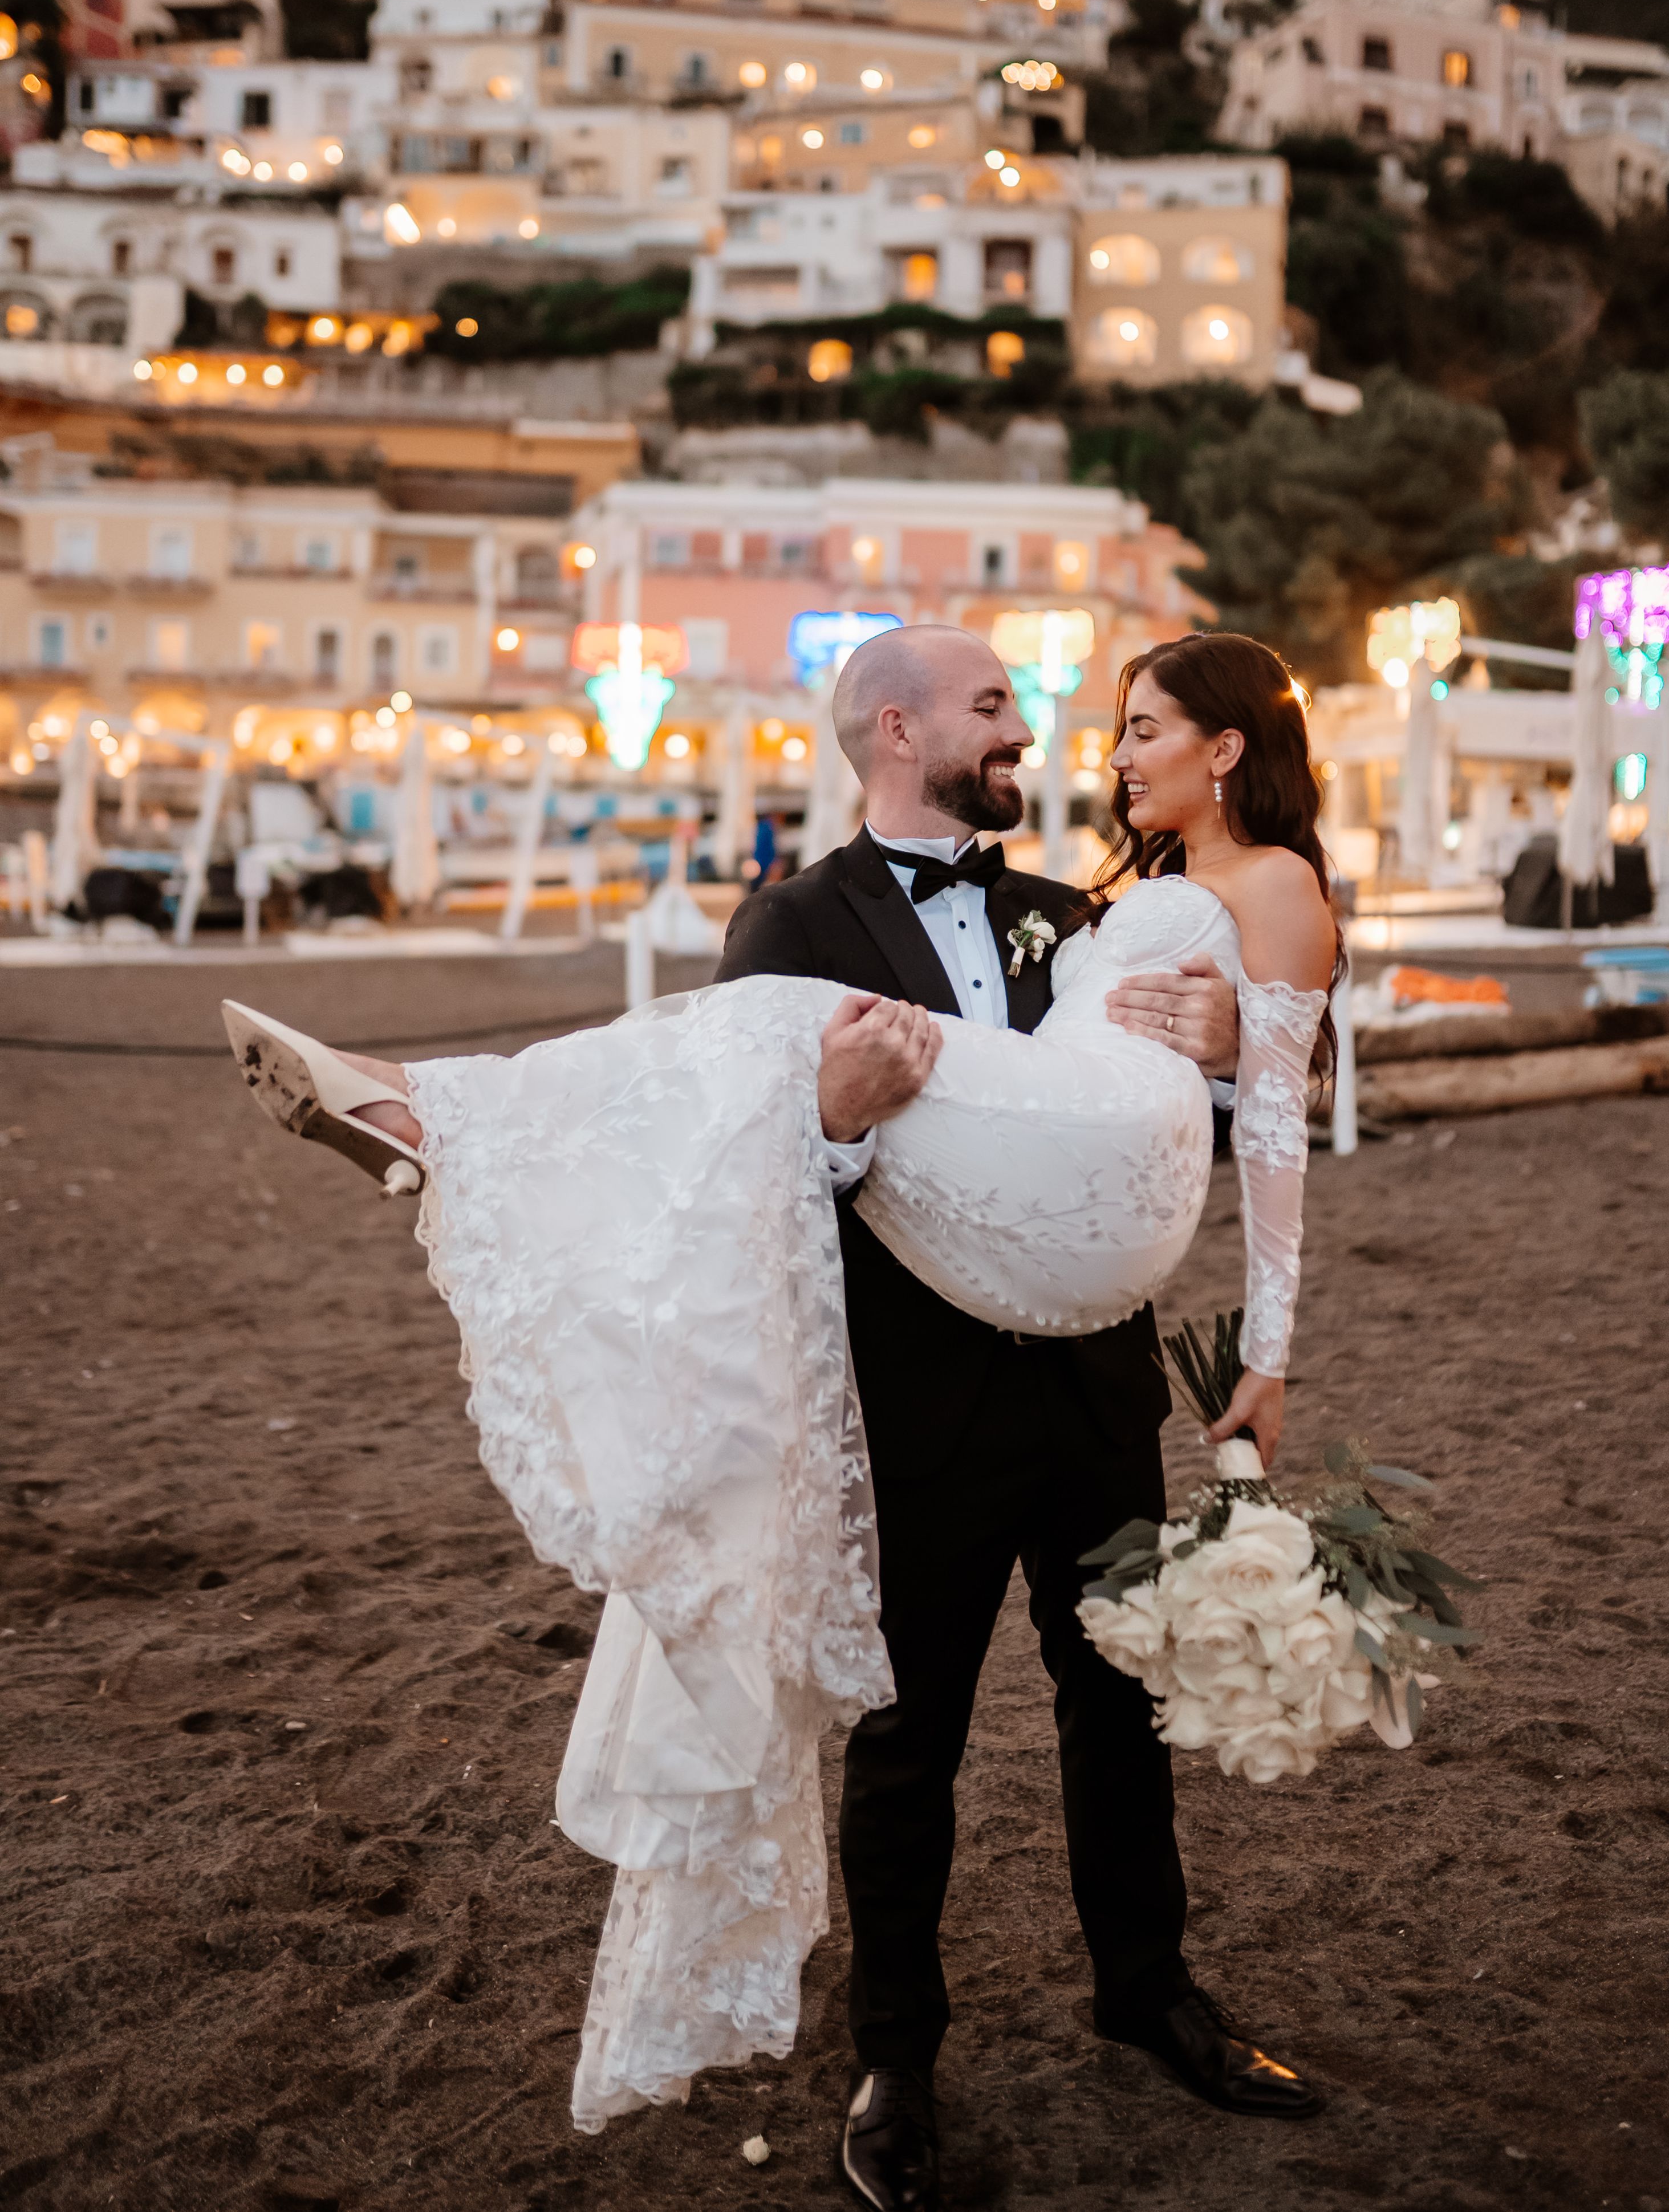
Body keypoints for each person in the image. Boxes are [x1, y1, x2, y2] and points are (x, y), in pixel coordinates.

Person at [222, 627, 1340, 2189]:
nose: (1032, 736)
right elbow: (743, 1184)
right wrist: (827, 1123)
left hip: (1086, 1378)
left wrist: (1235, 1057)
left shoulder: (1061, 909)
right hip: (918, 1396)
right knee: (907, 1739)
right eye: (993, 707)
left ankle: (1151, 1994)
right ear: (897, 728)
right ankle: (898, 2059)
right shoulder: (794, 920)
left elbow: (1178, 1104)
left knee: (1123, 1705)